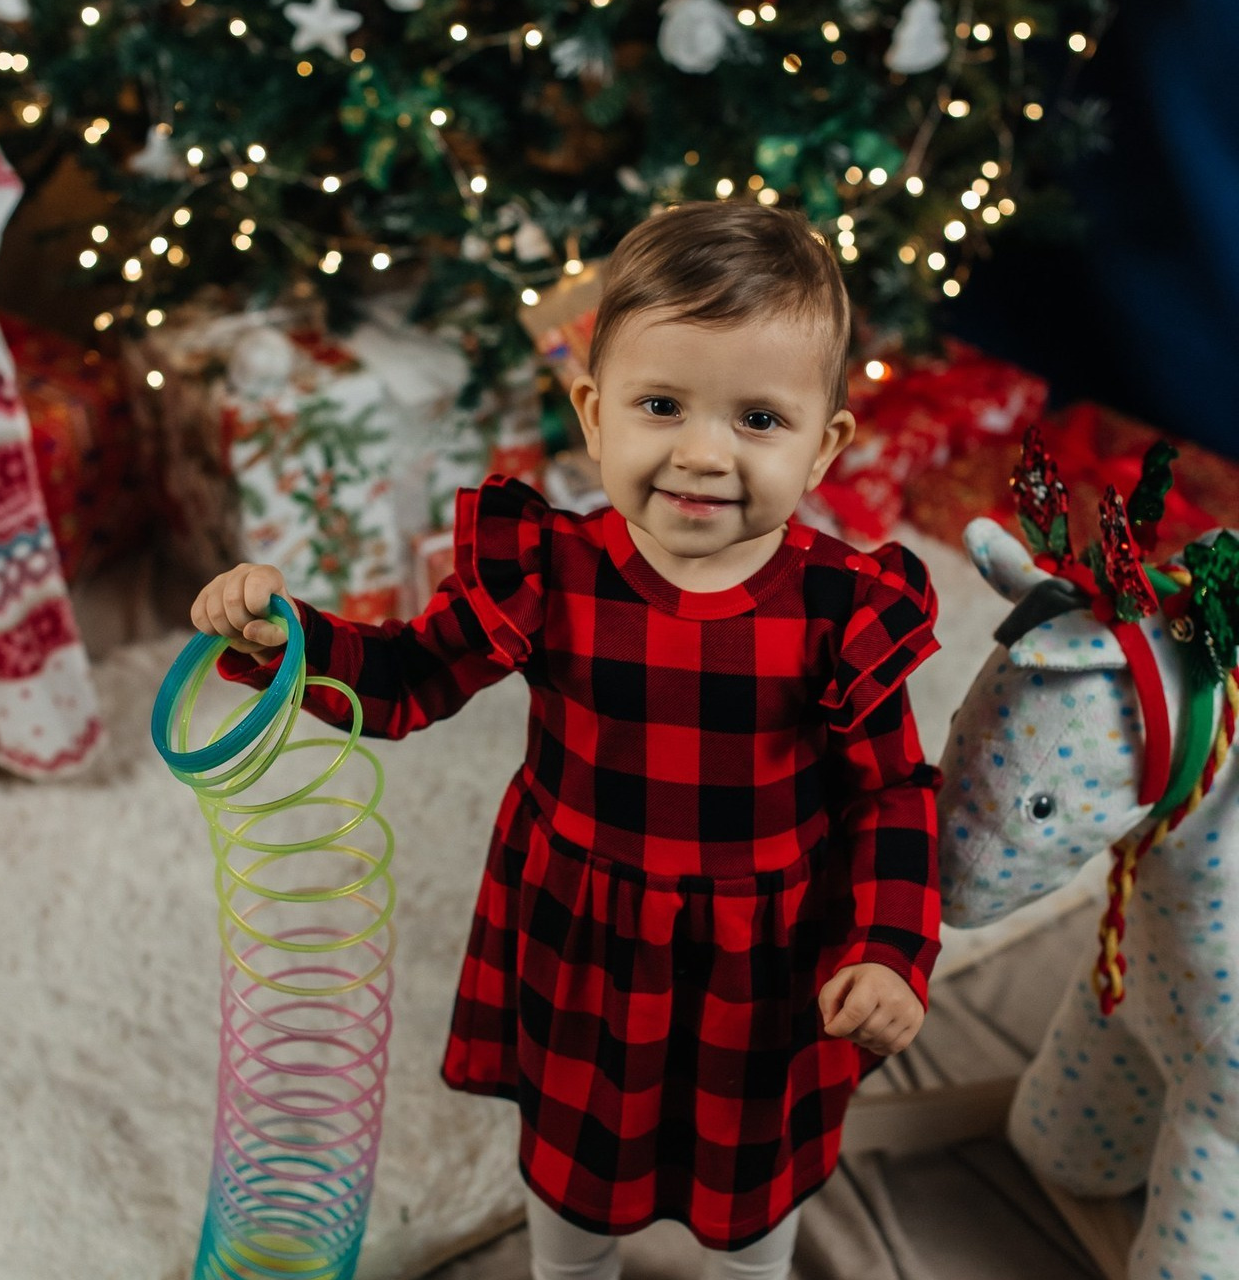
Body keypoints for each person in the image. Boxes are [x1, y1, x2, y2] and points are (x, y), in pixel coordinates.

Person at [191, 201, 943, 1280]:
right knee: (574, 1171)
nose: (699, 453)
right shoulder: (547, 569)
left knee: (746, 1191)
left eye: (757, 420)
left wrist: (887, 947)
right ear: (593, 415)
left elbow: (892, 796)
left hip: (765, 950)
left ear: (824, 444)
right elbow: (406, 678)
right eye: (659, 403)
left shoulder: (842, 610)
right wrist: (287, 638)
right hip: (587, 936)